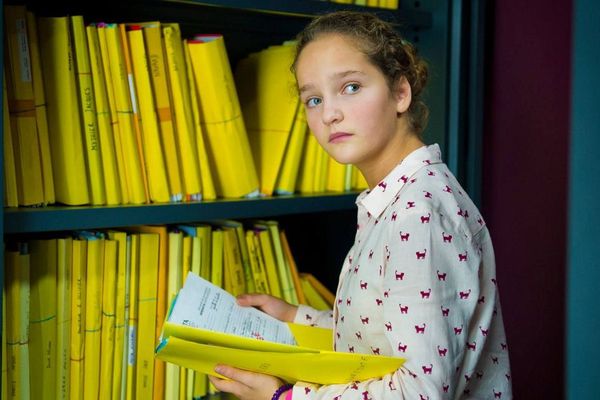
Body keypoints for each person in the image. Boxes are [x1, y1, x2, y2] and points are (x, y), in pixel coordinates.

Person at [209, 10, 512, 399]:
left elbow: (420, 392)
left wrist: (284, 398)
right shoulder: (398, 198)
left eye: (350, 87)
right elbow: (384, 339)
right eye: (313, 99)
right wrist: (293, 317)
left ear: (400, 93)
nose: (329, 114)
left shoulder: (416, 214)